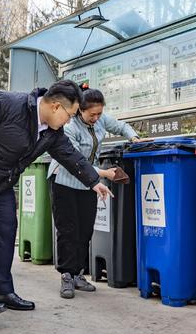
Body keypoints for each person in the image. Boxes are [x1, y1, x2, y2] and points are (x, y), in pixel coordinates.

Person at [0, 80, 113, 321]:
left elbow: (71, 157)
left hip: (1, 182)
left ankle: (0, 290)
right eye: (70, 116)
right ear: (56, 107)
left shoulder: (52, 132)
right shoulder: (5, 103)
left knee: (7, 228)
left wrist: (94, 182)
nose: (69, 121)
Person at [47, 86, 139, 299]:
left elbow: (121, 126)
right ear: (80, 110)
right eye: (92, 114)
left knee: (85, 229)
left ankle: (79, 273)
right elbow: (75, 161)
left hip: (88, 183)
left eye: (99, 113)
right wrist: (105, 172)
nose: (96, 118)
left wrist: (133, 137)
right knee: (68, 230)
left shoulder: (101, 120)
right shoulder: (70, 127)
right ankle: (66, 276)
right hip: (64, 181)